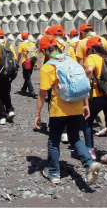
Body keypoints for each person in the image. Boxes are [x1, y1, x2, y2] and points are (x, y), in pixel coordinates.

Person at [35, 35, 101, 185]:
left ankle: (54, 173)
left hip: (59, 110)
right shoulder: (71, 60)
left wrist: (37, 113)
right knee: (75, 138)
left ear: (44, 50)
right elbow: (83, 84)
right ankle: (90, 163)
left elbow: (42, 94)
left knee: (53, 141)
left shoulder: (48, 67)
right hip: (77, 106)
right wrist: (86, 104)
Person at [83, 37, 107, 166]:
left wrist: (86, 78)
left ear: (91, 48)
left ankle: (90, 150)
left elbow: (89, 70)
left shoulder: (92, 57)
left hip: (97, 95)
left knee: (87, 121)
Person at [0, 29, 17, 124]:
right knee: (7, 93)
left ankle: (2, 116)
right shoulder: (9, 45)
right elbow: (15, 58)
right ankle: (10, 110)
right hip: (9, 74)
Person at [16, 31, 38, 98]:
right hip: (32, 61)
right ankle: (24, 89)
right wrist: (36, 63)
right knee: (28, 76)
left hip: (25, 62)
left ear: (22, 37)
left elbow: (19, 56)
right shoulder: (32, 44)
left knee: (27, 77)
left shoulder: (22, 45)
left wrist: (17, 63)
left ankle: (32, 91)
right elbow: (35, 54)